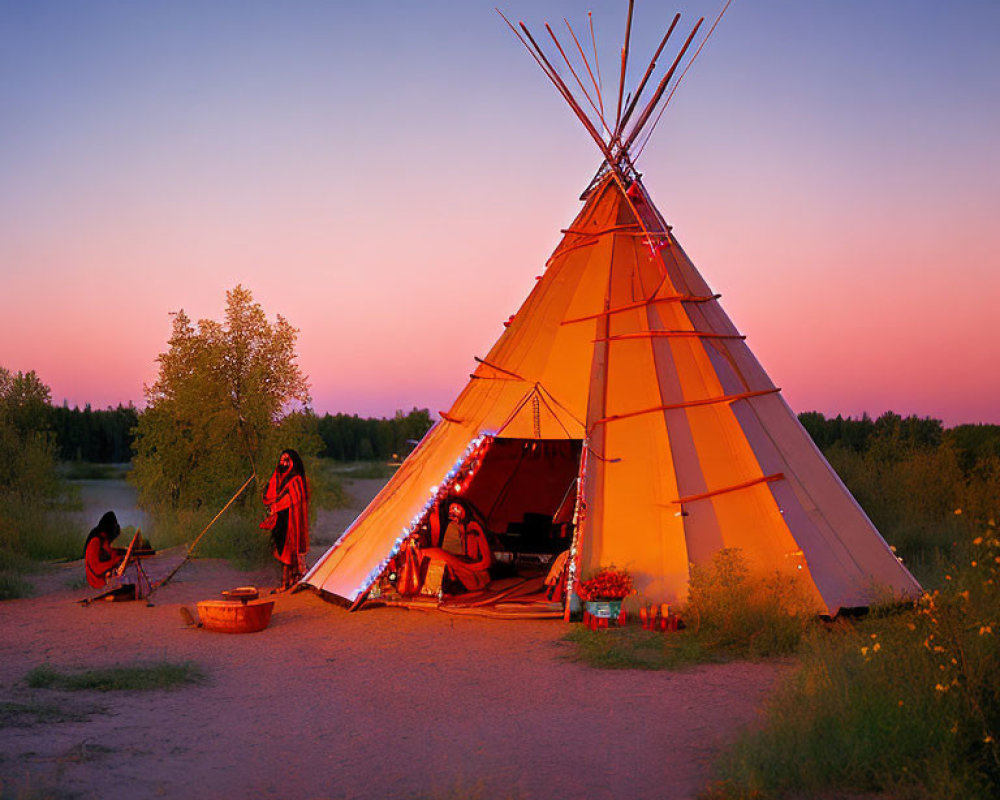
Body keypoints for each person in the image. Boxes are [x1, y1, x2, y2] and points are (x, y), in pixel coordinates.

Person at [417, 501, 492, 593]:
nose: (453, 511)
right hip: (460, 562)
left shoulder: (473, 526)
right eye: (451, 509)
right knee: (430, 553)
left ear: (464, 509)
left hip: (470, 566)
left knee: (430, 552)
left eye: (456, 508)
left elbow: (486, 561)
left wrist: (465, 567)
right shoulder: (454, 526)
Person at [261, 449, 309, 590]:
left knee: (287, 554)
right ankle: (286, 582)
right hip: (279, 521)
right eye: (282, 460)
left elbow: (295, 498)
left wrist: (277, 506)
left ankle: (285, 584)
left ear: (293, 462)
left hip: (291, 521)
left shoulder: (297, 479)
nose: (283, 463)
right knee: (281, 551)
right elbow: (271, 493)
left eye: (287, 460)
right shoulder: (278, 477)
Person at [84, 510, 126, 589]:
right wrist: (116, 560)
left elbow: (109, 552)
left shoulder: (103, 539)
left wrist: (120, 552)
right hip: (97, 582)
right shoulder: (95, 541)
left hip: (103, 578)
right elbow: (97, 569)